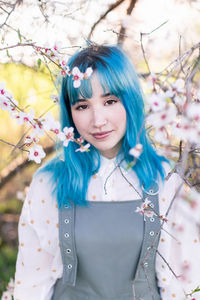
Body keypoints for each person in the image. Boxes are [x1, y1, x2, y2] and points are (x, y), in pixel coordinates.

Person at [13, 45, 200, 300]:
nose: (98, 120)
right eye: (82, 106)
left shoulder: (166, 180)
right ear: (70, 113)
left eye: (110, 101)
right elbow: (31, 286)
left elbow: (184, 286)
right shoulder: (48, 183)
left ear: (130, 100)